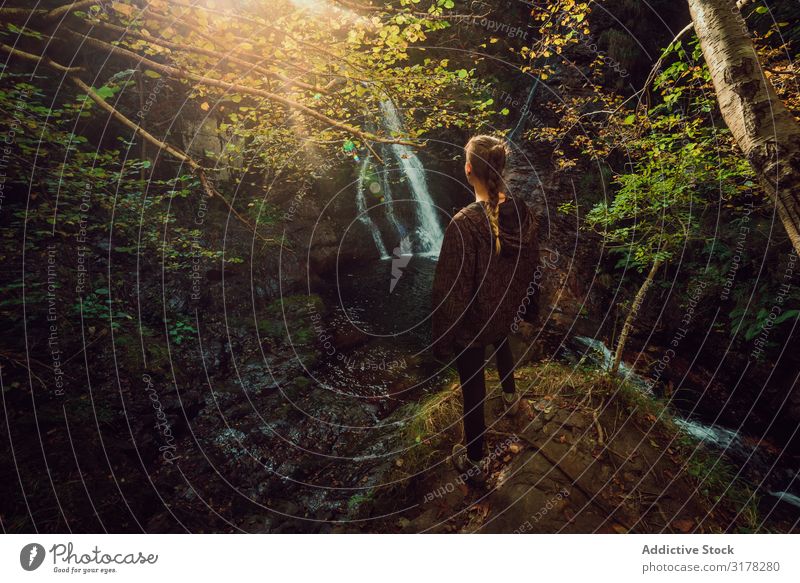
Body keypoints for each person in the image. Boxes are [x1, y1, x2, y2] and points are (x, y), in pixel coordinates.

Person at [431, 135, 538, 484]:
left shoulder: (465, 224)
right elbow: (530, 266)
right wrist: (526, 310)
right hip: (505, 314)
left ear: (468, 170)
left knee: (473, 388)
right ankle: (510, 395)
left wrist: (440, 342)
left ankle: (474, 462)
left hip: (476, 326)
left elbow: (451, 291)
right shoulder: (522, 211)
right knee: (500, 334)